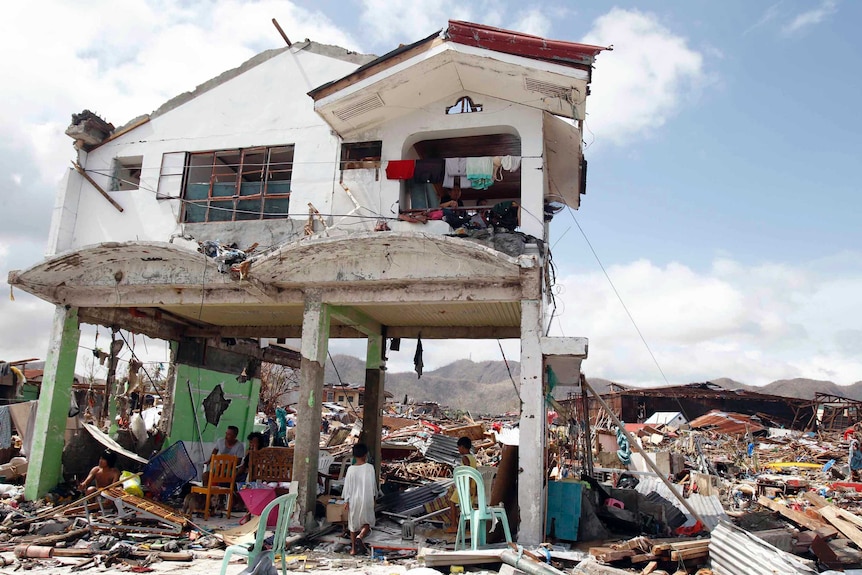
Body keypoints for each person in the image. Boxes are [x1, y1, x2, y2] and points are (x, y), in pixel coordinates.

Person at [342, 443, 377, 555]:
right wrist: (374, 496)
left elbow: (347, 486)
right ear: (366, 454)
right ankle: (360, 536)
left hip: (353, 499)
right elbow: (373, 485)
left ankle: (353, 549)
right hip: (366, 498)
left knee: (353, 524)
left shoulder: (350, 469)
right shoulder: (370, 468)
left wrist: (346, 500)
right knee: (368, 521)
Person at [447, 436, 478, 532]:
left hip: (464, 486)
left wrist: (467, 487)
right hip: (471, 486)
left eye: (459, 447)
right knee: (467, 506)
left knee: (452, 502)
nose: (458, 450)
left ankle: (454, 525)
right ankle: (464, 526)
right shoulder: (472, 458)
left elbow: (468, 471)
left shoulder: (465, 458)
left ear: (463, 447)